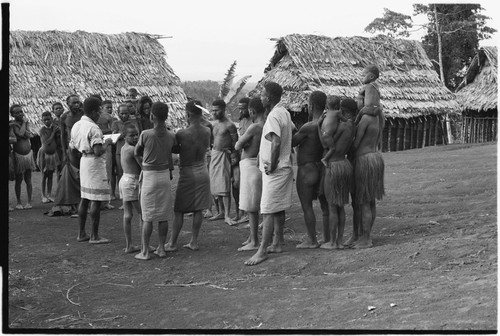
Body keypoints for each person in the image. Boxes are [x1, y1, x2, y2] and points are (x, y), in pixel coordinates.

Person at [245, 82, 294, 266]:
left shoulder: (274, 115)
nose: (261, 97)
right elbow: (291, 134)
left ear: (270, 97)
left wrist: (272, 165)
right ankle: (277, 242)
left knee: (267, 211)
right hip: (283, 167)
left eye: (263, 94)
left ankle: (262, 250)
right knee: (278, 207)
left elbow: (275, 142)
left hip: (276, 170)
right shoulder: (284, 112)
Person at [166, 100, 211, 252]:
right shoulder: (207, 131)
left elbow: (175, 149)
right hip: (203, 170)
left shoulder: (182, 133)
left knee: (179, 210)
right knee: (198, 208)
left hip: (188, 172)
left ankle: (172, 243)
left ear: (188, 114)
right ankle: (194, 241)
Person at [134, 102, 176, 260]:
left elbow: (136, 152)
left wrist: (143, 166)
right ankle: (161, 248)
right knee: (163, 214)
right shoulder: (171, 135)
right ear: (166, 117)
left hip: (149, 175)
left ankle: (145, 251)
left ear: (152, 116)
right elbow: (172, 152)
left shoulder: (146, 134)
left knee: (147, 215)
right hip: (164, 175)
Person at [70, 96, 113, 244]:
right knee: (95, 198)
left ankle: (81, 233)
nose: (100, 112)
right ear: (94, 111)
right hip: (94, 164)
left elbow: (72, 148)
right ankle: (94, 236)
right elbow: (98, 151)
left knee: (85, 197)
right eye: (100, 110)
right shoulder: (93, 128)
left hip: (83, 161)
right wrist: (107, 143)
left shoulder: (77, 125)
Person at [292, 91, 329, 249]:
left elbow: (292, 142)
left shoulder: (309, 126)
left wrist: (291, 128)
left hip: (306, 169)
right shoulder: (326, 123)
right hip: (321, 168)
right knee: (325, 207)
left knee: (307, 206)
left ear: (311, 105)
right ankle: (327, 238)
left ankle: (312, 239)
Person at [320, 98, 356, 249]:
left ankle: (333, 242)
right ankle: (340, 241)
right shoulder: (352, 126)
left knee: (332, 206)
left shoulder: (339, 126)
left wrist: (318, 125)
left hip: (334, 165)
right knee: (340, 205)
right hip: (345, 164)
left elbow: (325, 143)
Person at [350, 93, 385, 249]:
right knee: (370, 202)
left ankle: (366, 238)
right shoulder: (378, 118)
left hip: (364, 160)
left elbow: (356, 143)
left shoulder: (364, 119)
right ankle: (364, 235)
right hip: (375, 158)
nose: (357, 100)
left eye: (359, 98)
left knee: (364, 202)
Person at [234, 97, 265, 251]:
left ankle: (254, 241)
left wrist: (241, 140)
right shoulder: (267, 124)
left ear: (252, 111)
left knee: (252, 206)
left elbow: (238, 144)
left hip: (250, 165)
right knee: (257, 204)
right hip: (259, 165)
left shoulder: (254, 127)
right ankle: (251, 238)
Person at [208, 99, 239, 225]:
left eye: (217, 110)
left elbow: (235, 144)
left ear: (223, 109)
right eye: (213, 110)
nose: (214, 112)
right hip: (214, 155)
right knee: (216, 186)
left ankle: (227, 215)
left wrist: (233, 158)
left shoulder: (230, 125)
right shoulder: (214, 125)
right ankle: (220, 212)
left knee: (224, 186)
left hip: (224, 156)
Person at [119, 124, 143, 253]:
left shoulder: (123, 148)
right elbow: (143, 165)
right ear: (124, 136)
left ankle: (129, 245)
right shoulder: (133, 150)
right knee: (143, 215)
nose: (135, 137)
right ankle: (144, 245)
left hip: (124, 180)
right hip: (133, 181)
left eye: (136, 135)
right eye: (131, 135)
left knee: (127, 215)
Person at [9, 104, 36, 210]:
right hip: (18, 156)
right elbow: (20, 133)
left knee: (28, 179)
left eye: (21, 111)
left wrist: (25, 132)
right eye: (17, 112)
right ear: (12, 114)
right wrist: (24, 123)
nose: (20, 114)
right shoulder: (12, 124)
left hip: (28, 155)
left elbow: (29, 135)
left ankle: (29, 202)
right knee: (19, 179)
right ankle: (19, 202)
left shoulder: (25, 124)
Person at [354, 64, 385, 148]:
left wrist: (359, 115)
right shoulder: (373, 87)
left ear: (371, 76)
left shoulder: (370, 87)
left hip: (367, 115)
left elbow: (370, 105)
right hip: (371, 115)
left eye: (364, 75)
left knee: (358, 139)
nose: (362, 77)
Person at [37, 111, 61, 203]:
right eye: (45, 120)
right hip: (44, 154)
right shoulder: (42, 130)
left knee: (50, 175)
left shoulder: (54, 129)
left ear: (51, 119)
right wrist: (53, 132)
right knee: (44, 174)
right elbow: (47, 142)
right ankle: (43, 195)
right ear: (42, 121)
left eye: (48, 119)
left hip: (53, 155)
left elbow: (57, 141)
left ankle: (49, 194)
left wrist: (56, 132)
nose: (47, 121)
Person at [112, 104, 133, 203]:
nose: (124, 116)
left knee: (131, 172)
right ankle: (123, 196)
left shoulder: (133, 122)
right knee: (120, 173)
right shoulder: (115, 123)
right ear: (118, 113)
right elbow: (115, 137)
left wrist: (121, 134)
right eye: (122, 113)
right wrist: (123, 134)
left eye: (126, 113)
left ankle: (131, 195)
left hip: (132, 151)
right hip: (119, 152)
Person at [229, 151, 243, 222]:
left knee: (242, 201)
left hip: (241, 187)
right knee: (236, 201)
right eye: (231, 158)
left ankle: (243, 215)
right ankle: (237, 215)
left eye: (234, 158)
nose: (232, 160)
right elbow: (231, 177)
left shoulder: (240, 166)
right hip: (235, 187)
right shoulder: (232, 167)